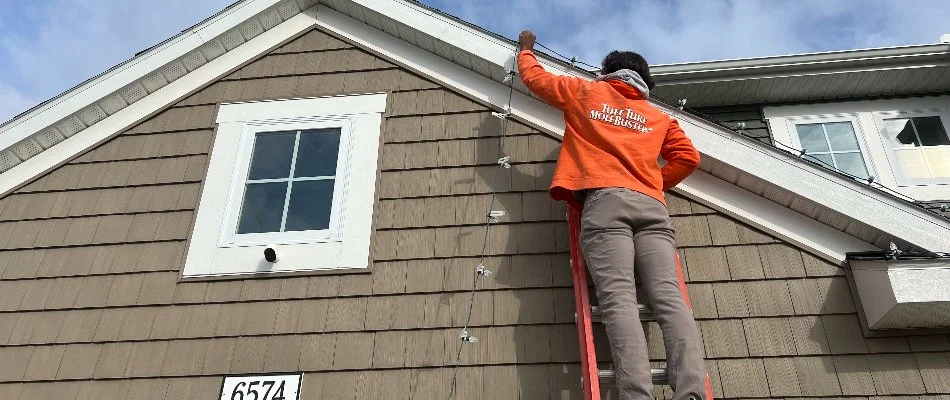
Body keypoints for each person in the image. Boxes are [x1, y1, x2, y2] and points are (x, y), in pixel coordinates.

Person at [517, 30, 706, 400]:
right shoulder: (658, 117)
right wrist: (652, 182)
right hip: (652, 206)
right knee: (668, 299)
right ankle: (692, 393)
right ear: (644, 79)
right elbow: (689, 158)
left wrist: (526, 51)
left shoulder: (585, 92)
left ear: (608, 72)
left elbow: (536, 80)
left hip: (605, 203)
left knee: (619, 300)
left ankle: (637, 395)